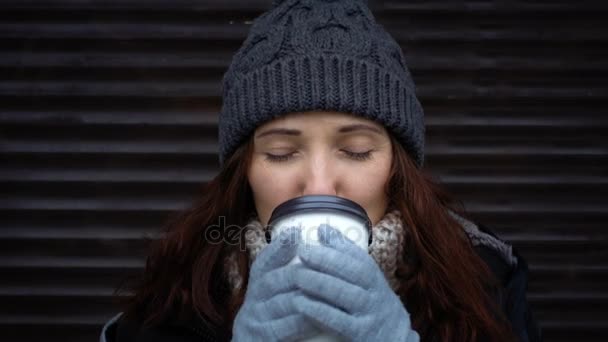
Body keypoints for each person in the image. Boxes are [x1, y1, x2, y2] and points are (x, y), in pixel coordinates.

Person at [100, 0, 543, 341]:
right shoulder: (177, 295)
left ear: (397, 168)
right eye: (279, 153)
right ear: (244, 171)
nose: (317, 184)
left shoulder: (483, 281)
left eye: (354, 150)